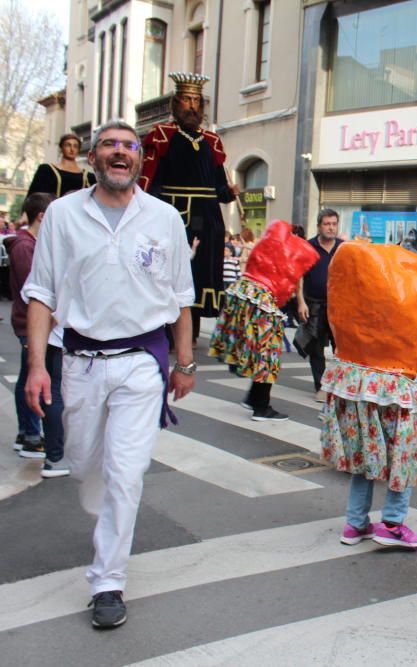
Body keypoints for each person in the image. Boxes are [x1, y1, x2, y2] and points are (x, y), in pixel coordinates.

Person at [22, 119, 196, 629]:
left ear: (140, 160)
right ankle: (105, 515)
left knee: (125, 473)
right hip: (79, 363)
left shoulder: (164, 218)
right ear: (94, 158)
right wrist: (37, 367)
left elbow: (181, 299)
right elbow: (41, 294)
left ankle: (107, 581)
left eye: (128, 146)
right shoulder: (61, 215)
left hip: (142, 363)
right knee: (84, 465)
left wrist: (183, 363)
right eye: (109, 146)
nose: (119, 153)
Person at [322, 241, 417, 549]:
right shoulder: (413, 290)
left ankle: (355, 524)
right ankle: (392, 524)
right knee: (402, 458)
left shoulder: (363, 294)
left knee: (365, 458)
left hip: (356, 381)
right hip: (397, 387)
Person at [139, 72, 238, 343]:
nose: (192, 106)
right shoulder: (162, 135)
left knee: (199, 274)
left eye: (197, 101)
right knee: (171, 271)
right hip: (174, 212)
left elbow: (218, 186)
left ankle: (190, 334)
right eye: (187, 100)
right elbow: (150, 179)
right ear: (176, 103)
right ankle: (165, 332)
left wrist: (228, 193)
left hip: (207, 217)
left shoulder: (211, 141)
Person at [210, 221, 318, 421]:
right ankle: (261, 407)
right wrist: (301, 302)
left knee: (260, 350)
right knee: (268, 353)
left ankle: (254, 397)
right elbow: (295, 281)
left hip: (242, 293)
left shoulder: (266, 244)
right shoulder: (290, 251)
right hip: (261, 300)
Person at [6, 193, 62, 472]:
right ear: (43, 215)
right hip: (29, 321)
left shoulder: (29, 244)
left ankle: (26, 433)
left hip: (25, 320)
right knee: (34, 379)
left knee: (27, 377)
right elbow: (37, 291)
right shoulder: (26, 247)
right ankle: (30, 435)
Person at [295, 209, 343, 401]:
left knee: (341, 348)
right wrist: (301, 302)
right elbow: (298, 275)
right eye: (327, 224)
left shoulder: (343, 247)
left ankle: (339, 386)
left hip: (338, 307)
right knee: (316, 349)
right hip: (314, 305)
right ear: (319, 226)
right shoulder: (308, 247)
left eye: (334, 224)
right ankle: (321, 387)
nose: (331, 228)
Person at [27, 133, 96, 198]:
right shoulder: (47, 170)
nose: (72, 149)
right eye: (68, 145)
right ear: (61, 148)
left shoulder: (88, 177)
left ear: (78, 149)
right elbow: (33, 195)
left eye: (75, 146)